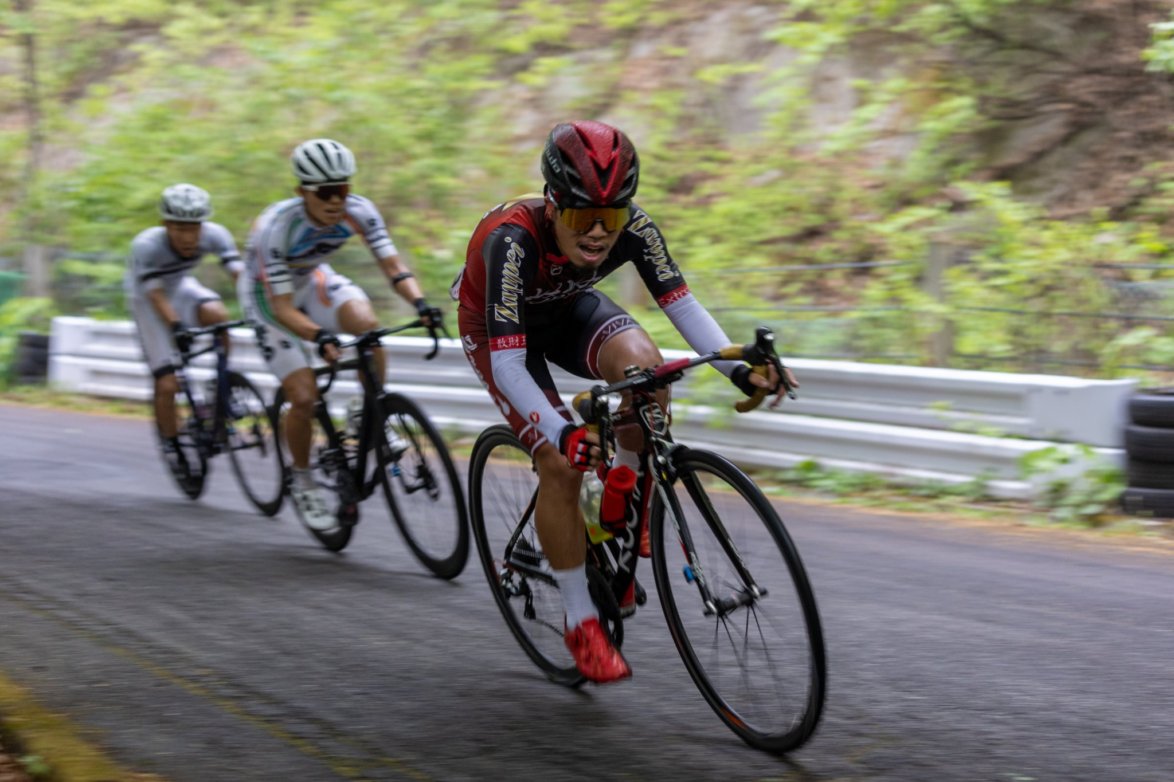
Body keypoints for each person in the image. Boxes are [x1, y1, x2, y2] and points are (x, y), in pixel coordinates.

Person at [453, 120, 794, 683]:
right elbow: (510, 364)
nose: (598, 233)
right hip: (498, 336)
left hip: (565, 311)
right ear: (552, 204)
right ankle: (580, 619)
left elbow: (683, 306)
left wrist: (741, 372)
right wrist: (560, 433)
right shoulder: (510, 242)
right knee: (561, 465)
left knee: (649, 375)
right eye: (583, 217)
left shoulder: (635, 227)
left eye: (610, 218)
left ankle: (623, 502)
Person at [240, 138, 443, 532]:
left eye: (344, 189)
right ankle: (302, 478)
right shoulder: (278, 229)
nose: (337, 201)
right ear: (302, 193)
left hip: (312, 279)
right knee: (303, 396)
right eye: (326, 193)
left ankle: (369, 411)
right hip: (268, 298)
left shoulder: (359, 211)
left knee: (369, 330)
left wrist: (421, 304)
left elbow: (393, 267)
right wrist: (319, 337)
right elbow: (282, 308)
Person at [125, 183, 243, 478]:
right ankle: (172, 443)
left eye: (194, 228)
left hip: (181, 287)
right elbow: (156, 296)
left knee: (219, 316)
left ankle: (219, 392)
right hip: (148, 300)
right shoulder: (146, 246)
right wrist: (176, 326)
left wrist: (260, 306)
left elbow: (240, 276)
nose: (189, 237)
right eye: (179, 228)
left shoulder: (216, 235)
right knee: (167, 384)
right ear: (165, 224)